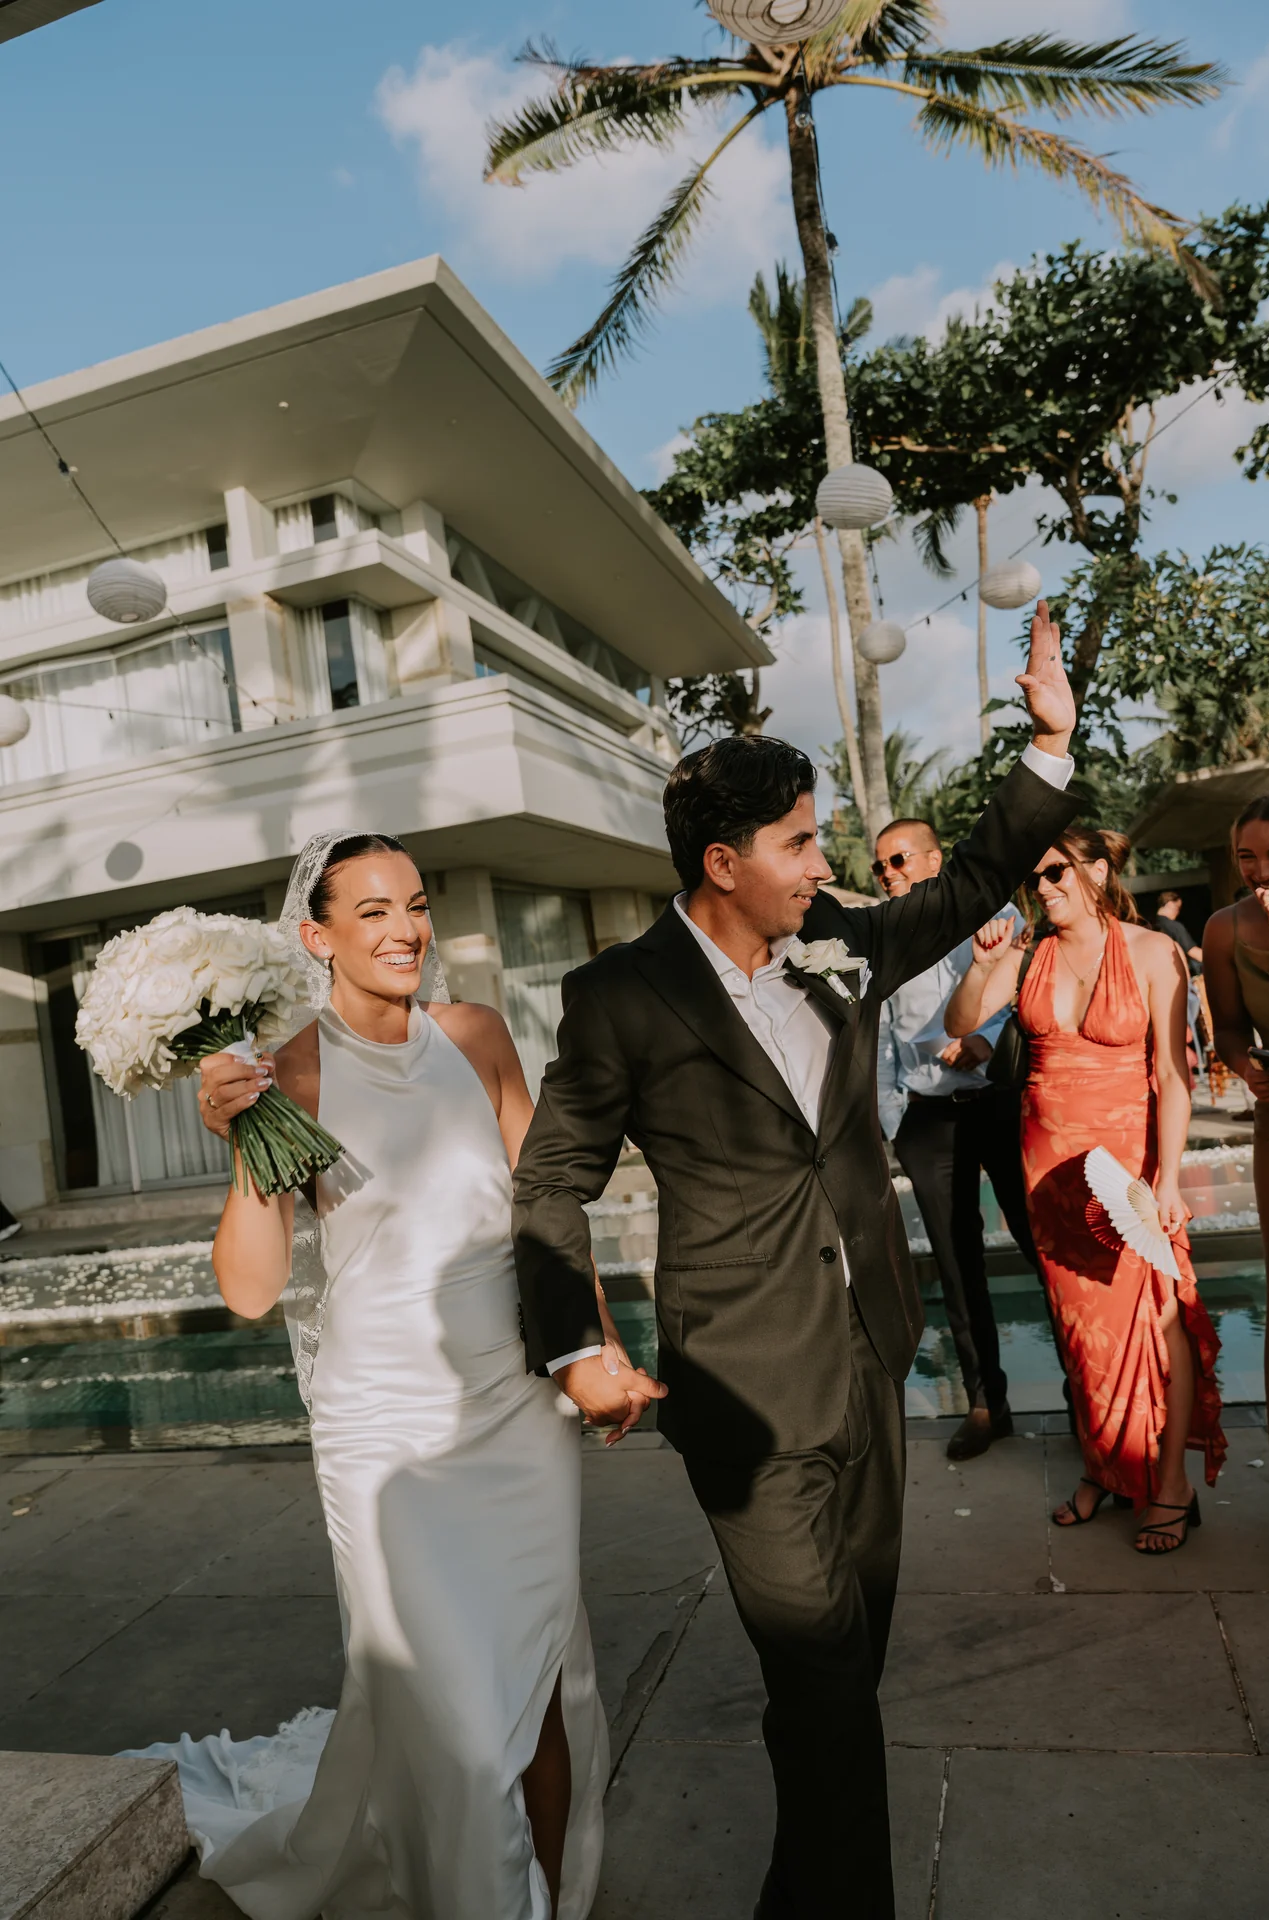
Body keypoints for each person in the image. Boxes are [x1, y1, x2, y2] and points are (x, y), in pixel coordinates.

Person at [512, 605, 1079, 1918]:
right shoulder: (620, 996)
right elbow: (549, 1181)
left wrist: (1047, 748)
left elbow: (968, 884)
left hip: (873, 1353)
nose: (824, 864)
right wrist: (575, 1345)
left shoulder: (836, 940)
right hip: (744, 1390)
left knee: (839, 1672)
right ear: (721, 863)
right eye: (800, 843)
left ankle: (795, 1892)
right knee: (823, 1679)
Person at [129, 832, 609, 1919]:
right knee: (453, 1717)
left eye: (417, 905)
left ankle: (555, 1900)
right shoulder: (287, 1074)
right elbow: (251, 1290)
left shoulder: (477, 1035)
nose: (406, 931)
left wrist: (593, 1347)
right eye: (375, 911)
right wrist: (246, 1140)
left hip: (515, 1406)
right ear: (318, 937)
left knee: (535, 1684)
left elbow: (547, 1208)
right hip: (382, 1423)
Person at [947, 828, 1226, 1554]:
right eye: (1032, 877)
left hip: (1129, 1169)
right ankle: (1106, 1468)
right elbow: (959, 1023)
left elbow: (1173, 1076)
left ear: (1098, 872)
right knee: (1082, 1337)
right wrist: (983, 966)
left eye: (1055, 873)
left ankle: (1171, 1484)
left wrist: (1168, 1177)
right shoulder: (1029, 954)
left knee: (1158, 1320)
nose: (1041, 887)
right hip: (1048, 1173)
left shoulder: (1152, 951)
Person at [874, 817, 1037, 1460]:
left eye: (899, 860)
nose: (888, 873)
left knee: (1039, 1245)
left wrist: (986, 1041)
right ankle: (985, 1403)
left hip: (999, 1106)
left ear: (935, 861)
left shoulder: (997, 915)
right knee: (956, 1264)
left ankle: (1087, 1391)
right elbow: (880, 1038)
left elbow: (1027, 995)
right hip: (928, 1121)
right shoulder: (885, 939)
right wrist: (894, 1124)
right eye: (880, 866)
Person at [1202, 794, 1269, 1488]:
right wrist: (1248, 1067)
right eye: (1246, 857)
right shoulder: (1224, 928)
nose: (1261, 872)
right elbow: (1228, 1027)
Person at [1156, 890, 1203, 974]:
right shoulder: (1174, 926)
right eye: (1177, 908)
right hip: (1176, 973)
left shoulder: (1150, 925)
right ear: (1170, 904)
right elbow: (1192, 951)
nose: (1178, 913)